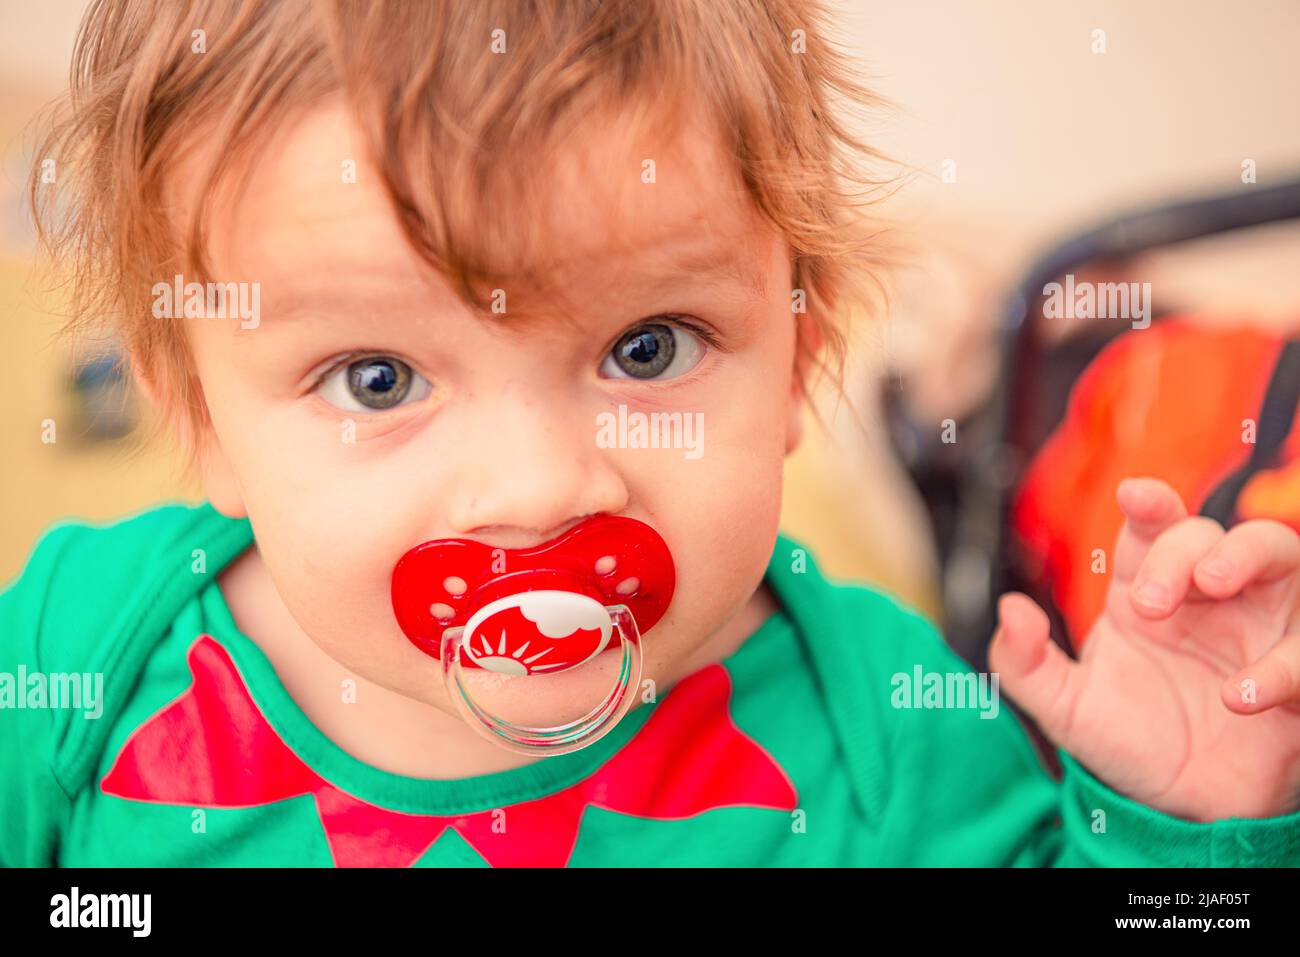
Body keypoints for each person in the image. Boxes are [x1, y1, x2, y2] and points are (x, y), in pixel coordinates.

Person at [3, 0, 1299, 867]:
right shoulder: (79, 663)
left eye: (647, 348)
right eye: (379, 377)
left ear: (801, 353)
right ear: (197, 416)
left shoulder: (894, 751)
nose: (537, 490)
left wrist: (1186, 823)